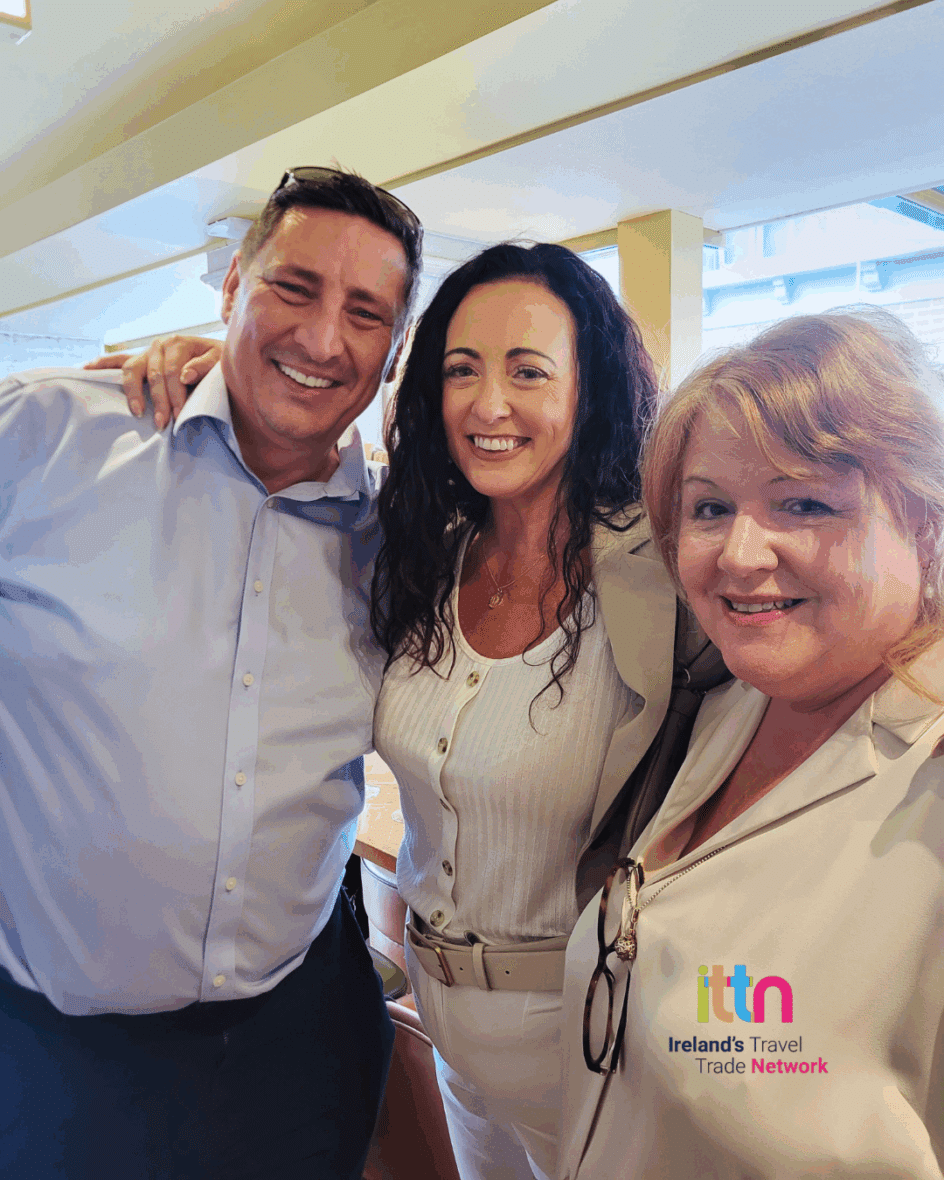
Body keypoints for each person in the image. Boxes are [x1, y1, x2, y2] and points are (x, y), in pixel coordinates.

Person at [98, 241, 699, 1180]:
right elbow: (297, 477)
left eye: (528, 371)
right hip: (450, 1018)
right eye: (462, 369)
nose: (488, 405)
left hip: (594, 1037)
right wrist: (249, 380)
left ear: (591, 391)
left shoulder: (660, 572)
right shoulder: (421, 548)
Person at [0, 166, 423, 1180]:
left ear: (393, 347)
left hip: (298, 1044)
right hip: (52, 1064)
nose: (322, 339)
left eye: (365, 313)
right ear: (232, 285)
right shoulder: (44, 438)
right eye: (293, 288)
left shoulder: (398, 539)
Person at [559, 307, 944, 1180]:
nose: (738, 554)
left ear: (925, 521)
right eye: (710, 508)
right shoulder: (733, 702)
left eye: (804, 503)